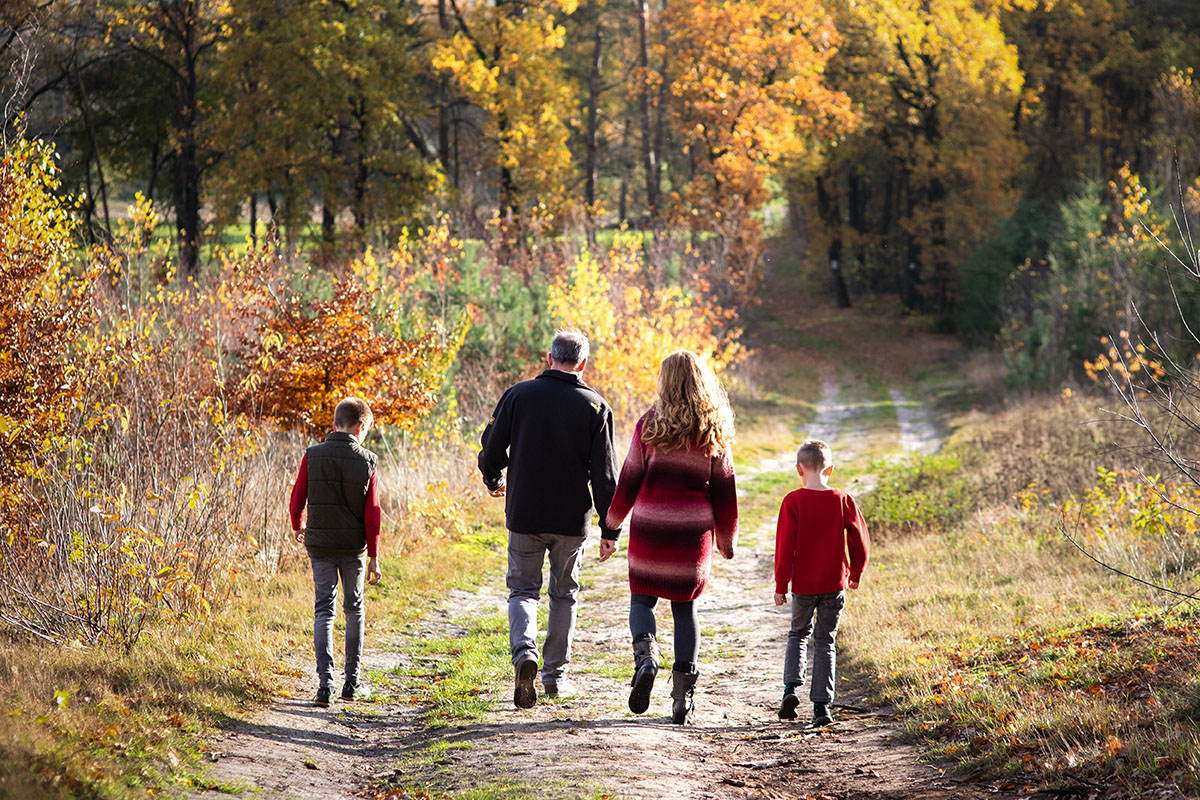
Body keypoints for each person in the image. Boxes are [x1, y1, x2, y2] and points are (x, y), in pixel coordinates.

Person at [478, 329, 620, 708]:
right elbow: (606, 476)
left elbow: (491, 447)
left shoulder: (519, 396)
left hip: (524, 513)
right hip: (572, 520)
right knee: (564, 594)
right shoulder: (595, 407)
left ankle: (525, 654)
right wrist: (610, 528)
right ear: (583, 363)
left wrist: (494, 477)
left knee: (523, 590)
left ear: (549, 356)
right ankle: (554, 677)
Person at [604, 351, 738, 725]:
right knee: (685, 609)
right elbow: (726, 492)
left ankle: (646, 659)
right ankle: (682, 699)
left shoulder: (649, 425)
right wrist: (727, 541)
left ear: (665, 381)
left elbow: (628, 478)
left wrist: (612, 526)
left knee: (642, 601)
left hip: (650, 528)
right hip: (691, 535)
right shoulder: (713, 430)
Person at [289, 397, 383, 708]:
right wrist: (374, 556)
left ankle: (325, 684)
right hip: (353, 548)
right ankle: (352, 683)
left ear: (334, 425)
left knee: (323, 611)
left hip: (320, 545)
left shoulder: (312, 455)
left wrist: (298, 525)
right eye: (367, 429)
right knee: (354, 609)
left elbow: (296, 498)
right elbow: (373, 514)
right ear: (361, 427)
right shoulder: (368, 460)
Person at [773, 439, 869, 726]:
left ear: (798, 469)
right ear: (831, 469)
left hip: (803, 585)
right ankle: (821, 707)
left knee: (798, 634)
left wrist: (781, 584)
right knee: (825, 641)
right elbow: (859, 540)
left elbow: (784, 546)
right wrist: (856, 572)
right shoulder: (842, 499)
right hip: (833, 584)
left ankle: (790, 690)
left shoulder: (793, 501)